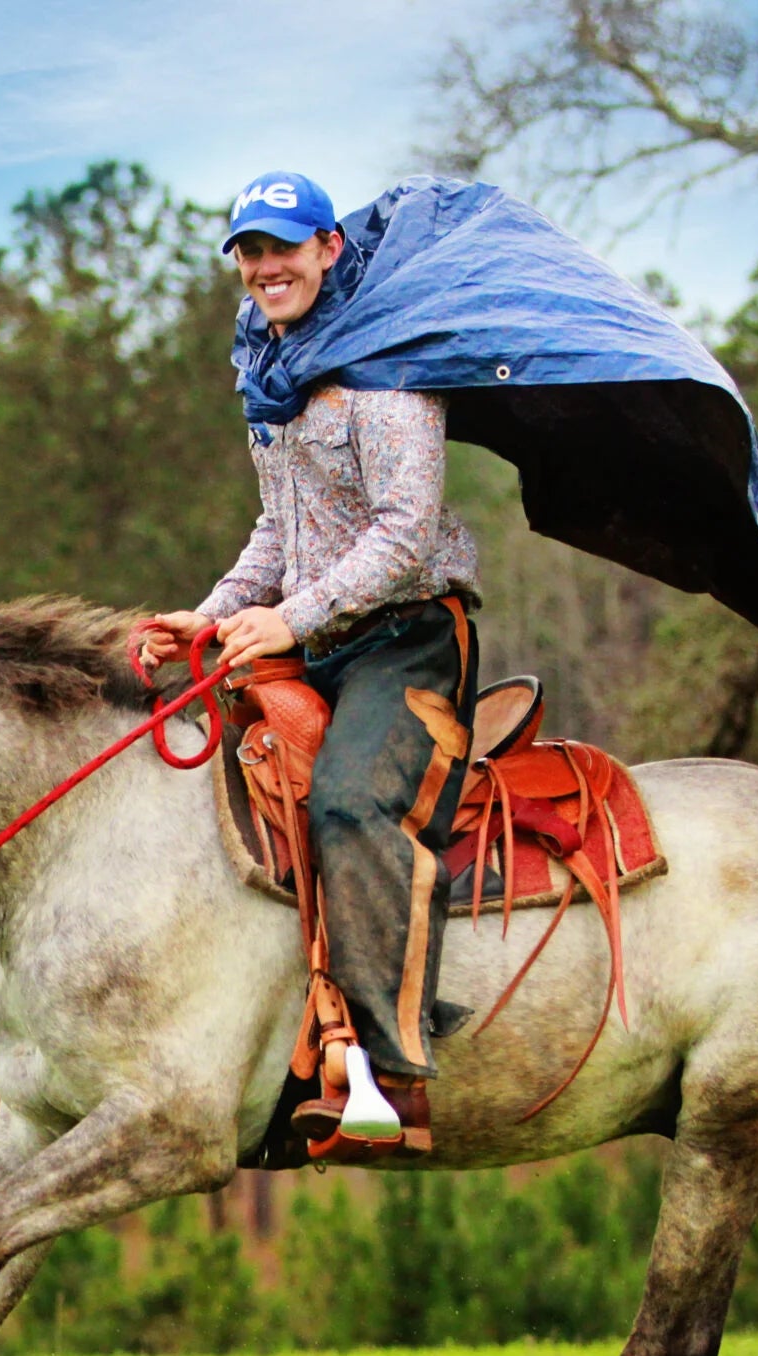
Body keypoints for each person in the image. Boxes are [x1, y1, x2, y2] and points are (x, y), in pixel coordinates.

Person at [136, 172, 480, 1148]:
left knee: (347, 803)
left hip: (406, 635)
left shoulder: (385, 367)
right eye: (249, 251)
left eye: (282, 247)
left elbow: (405, 536)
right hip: (314, 633)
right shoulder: (267, 364)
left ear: (329, 247)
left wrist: (288, 621)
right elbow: (279, 531)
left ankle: (389, 1076)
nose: (264, 267)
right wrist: (208, 618)